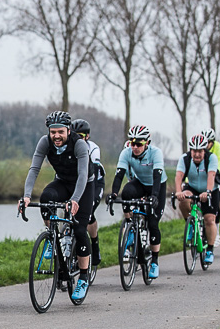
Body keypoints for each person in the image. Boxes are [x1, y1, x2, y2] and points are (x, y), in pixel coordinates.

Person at [21, 111, 94, 300]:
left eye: (60, 132)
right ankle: (53, 235)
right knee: (46, 197)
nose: (56, 136)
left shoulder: (79, 144)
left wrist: (75, 199)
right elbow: (34, 168)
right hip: (62, 181)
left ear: (68, 130)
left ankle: (84, 277)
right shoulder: (45, 142)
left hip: (84, 185)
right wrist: (27, 196)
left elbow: (83, 175)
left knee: (79, 229)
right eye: (53, 132)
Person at [108, 125, 167, 279]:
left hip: (156, 185)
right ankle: (130, 226)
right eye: (132, 143)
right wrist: (113, 194)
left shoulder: (156, 153)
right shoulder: (126, 152)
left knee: (153, 223)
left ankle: (154, 261)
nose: (135, 147)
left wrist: (154, 196)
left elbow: (157, 176)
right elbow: (119, 175)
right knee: (126, 192)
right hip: (140, 183)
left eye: (139, 144)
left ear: (147, 143)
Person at [174, 134, 219, 265]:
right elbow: (179, 176)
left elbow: (211, 175)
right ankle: (191, 224)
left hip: (210, 189)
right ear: (191, 150)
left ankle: (210, 249)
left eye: (200, 151)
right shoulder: (185, 158)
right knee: (183, 200)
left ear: (204, 150)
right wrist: (178, 192)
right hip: (192, 187)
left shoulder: (211, 158)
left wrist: (208, 192)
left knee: (209, 219)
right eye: (194, 151)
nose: (197, 154)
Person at [71, 119, 106, 267]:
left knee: (88, 213)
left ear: (87, 136)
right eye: (74, 135)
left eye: (80, 135)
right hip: (77, 182)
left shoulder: (93, 148)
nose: (77, 138)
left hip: (94, 183)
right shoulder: (68, 147)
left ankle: (94, 244)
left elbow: (92, 169)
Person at [201, 128, 220, 246]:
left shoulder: (218, 148)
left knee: (215, 204)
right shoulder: (198, 149)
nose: (205, 145)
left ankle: (216, 232)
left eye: (208, 143)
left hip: (218, 177)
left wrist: (216, 172)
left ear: (212, 142)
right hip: (201, 178)